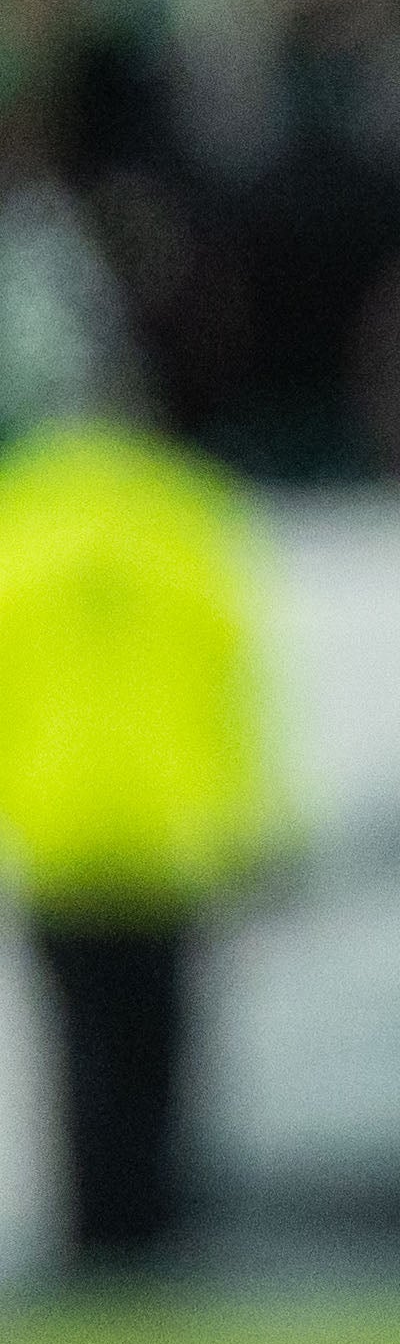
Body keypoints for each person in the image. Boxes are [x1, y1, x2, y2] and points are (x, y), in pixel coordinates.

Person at [0, 417, 287, 1277]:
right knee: (161, 1063)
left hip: (66, 838)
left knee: (84, 1067)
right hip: (170, 841)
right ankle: (157, 1250)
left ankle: (99, 1249)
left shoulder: (22, 522)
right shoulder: (190, 518)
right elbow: (235, 688)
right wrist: (247, 823)